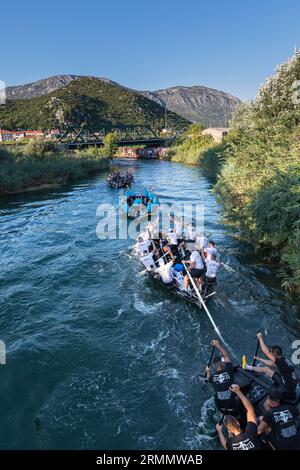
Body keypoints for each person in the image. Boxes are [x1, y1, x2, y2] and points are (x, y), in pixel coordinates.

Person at [243, 333, 297, 401]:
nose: (270, 354)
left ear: (274, 354)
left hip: (287, 389)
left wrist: (260, 338)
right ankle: (246, 367)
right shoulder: (282, 360)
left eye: (271, 353)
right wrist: (259, 359)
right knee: (266, 369)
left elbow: (265, 351)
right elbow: (272, 363)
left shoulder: (279, 361)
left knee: (271, 394)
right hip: (290, 385)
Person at [216, 384, 261, 450]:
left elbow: (224, 443)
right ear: (238, 422)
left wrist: (219, 431)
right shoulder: (251, 432)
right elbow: (250, 409)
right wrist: (238, 391)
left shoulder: (229, 443)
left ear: (229, 430)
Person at [205, 340, 241, 416]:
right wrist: (217, 345)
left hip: (221, 408)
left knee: (216, 395)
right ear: (222, 363)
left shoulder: (212, 377)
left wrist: (208, 371)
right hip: (234, 407)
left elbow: (207, 379)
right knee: (242, 394)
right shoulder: (229, 369)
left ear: (214, 366)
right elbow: (226, 356)